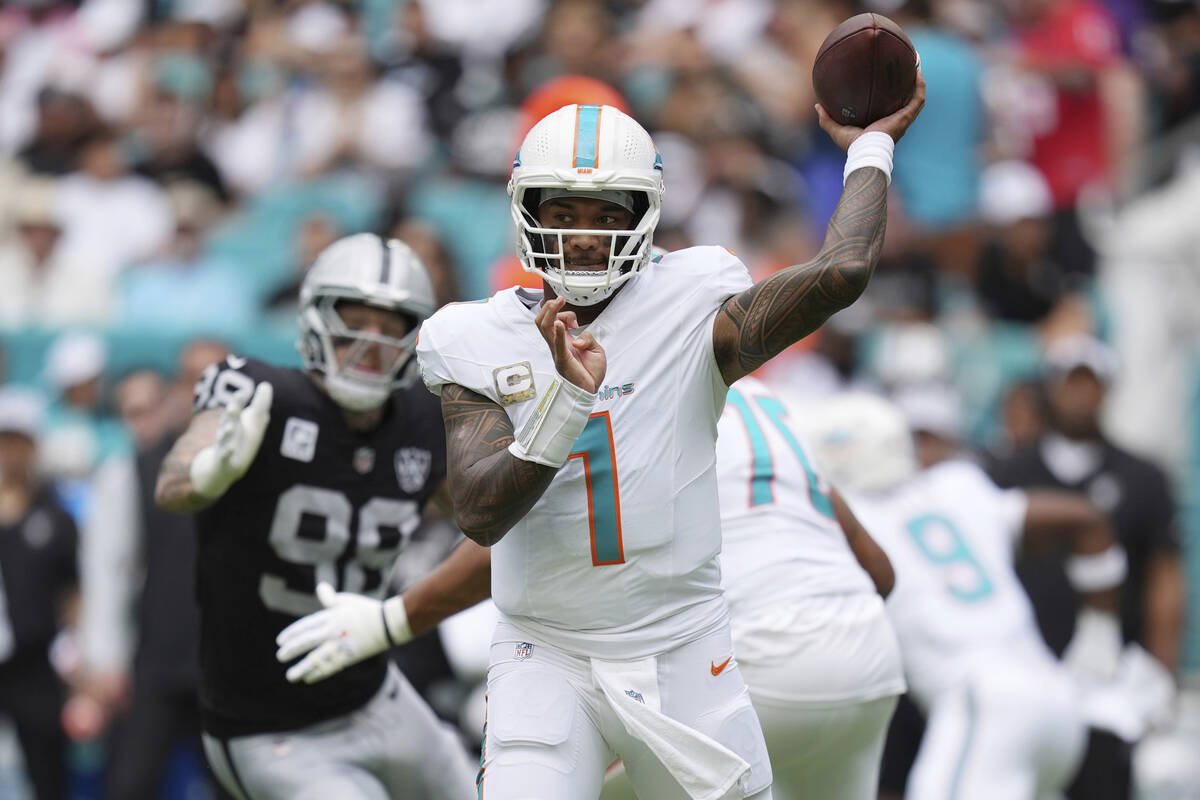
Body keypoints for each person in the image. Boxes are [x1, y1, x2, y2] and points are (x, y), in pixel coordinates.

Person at [278, 84, 926, 799]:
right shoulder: (473, 336)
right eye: (562, 211)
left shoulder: (693, 299)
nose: (584, 234)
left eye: (604, 213)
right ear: (527, 213)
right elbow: (480, 510)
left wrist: (871, 146)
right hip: (544, 654)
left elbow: (842, 272)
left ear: (644, 217)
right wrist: (566, 404)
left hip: (683, 644)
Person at [154, 233, 476, 800]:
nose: (370, 341)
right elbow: (174, 482)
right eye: (355, 318)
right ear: (314, 319)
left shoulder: (424, 419)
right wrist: (207, 471)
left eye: (390, 324)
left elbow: (491, 523)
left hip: (376, 696)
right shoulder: (259, 393)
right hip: (267, 724)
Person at [807, 393, 1127, 800]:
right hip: (1057, 697)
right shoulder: (958, 485)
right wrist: (1101, 630)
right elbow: (1085, 518)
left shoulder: (848, 518)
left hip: (984, 699)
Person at [989, 335, 1185, 800]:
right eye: (1070, 383)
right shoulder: (1006, 474)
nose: (1080, 396)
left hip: (1106, 684)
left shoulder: (1143, 477)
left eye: (1090, 384)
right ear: (1050, 388)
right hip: (1023, 673)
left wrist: (1162, 672)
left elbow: (1164, 580)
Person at [0, 388, 80, 800]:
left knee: (47, 771)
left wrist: (73, 647)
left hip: (34, 660)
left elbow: (72, 589)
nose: (9, 452)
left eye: (19, 441)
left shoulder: (54, 515)